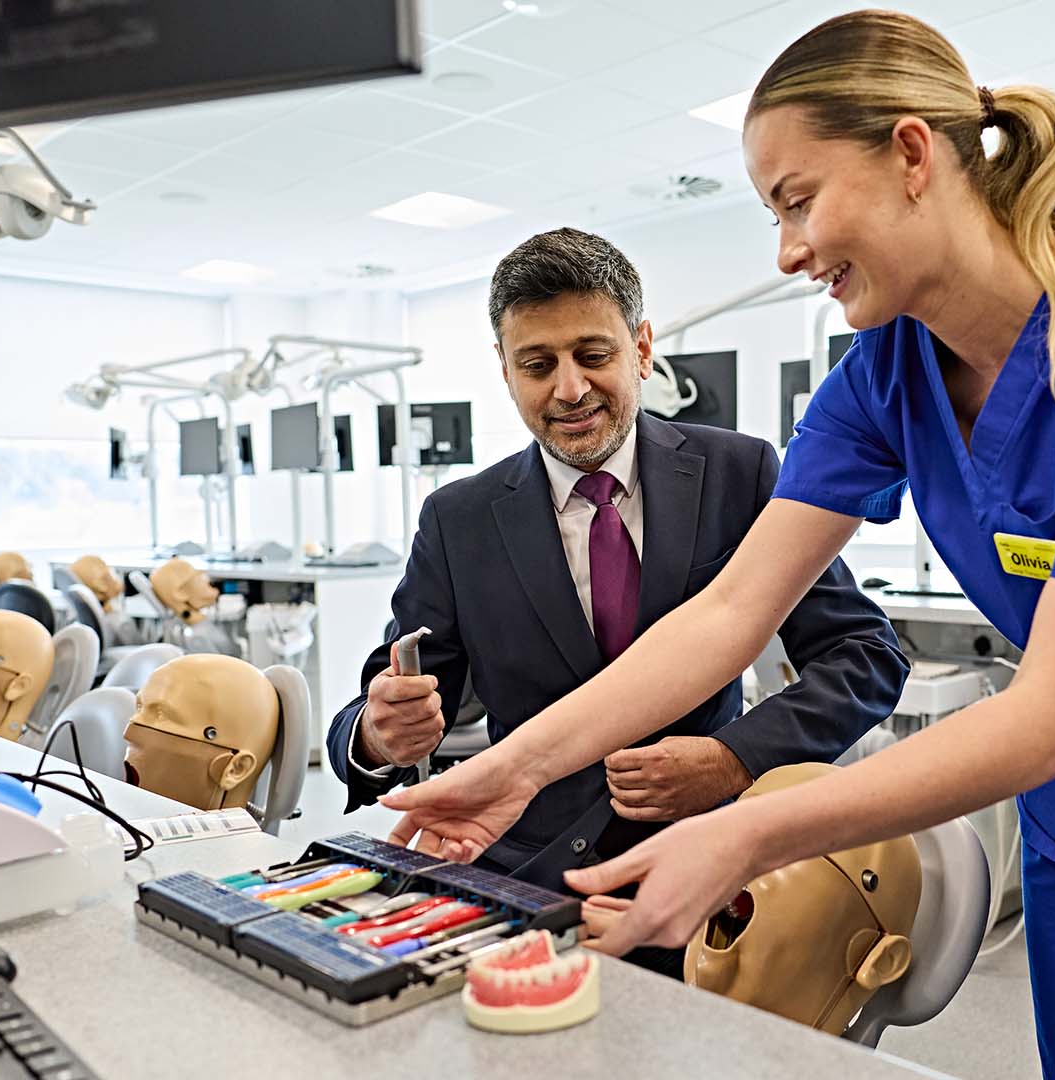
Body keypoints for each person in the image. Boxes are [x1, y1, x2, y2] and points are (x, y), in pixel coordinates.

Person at [383, 11, 1055, 1077]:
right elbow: (733, 615)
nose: (788, 250)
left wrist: (749, 829)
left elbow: (1051, 714)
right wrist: (510, 768)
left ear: (912, 154)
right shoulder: (884, 374)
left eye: (798, 201)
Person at [328, 227, 909, 971]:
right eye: (537, 365)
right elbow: (388, 701)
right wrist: (378, 735)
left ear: (641, 348)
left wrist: (735, 757)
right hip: (522, 876)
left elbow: (864, 656)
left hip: (704, 874)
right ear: (505, 373)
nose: (569, 389)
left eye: (593, 356)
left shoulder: (740, 473)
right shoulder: (460, 517)